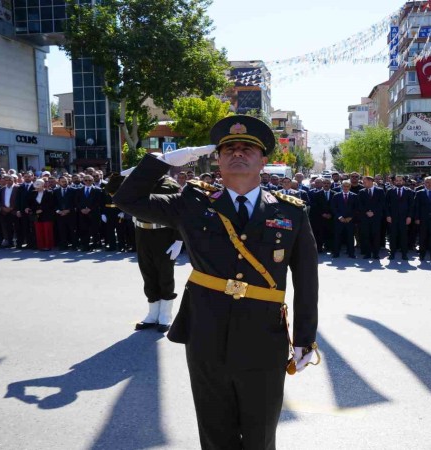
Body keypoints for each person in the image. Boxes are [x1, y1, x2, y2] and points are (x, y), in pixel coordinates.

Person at [112, 115, 319, 450]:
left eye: (247, 149)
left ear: (264, 160)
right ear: (217, 159)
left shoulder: (291, 211)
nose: (238, 153)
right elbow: (127, 199)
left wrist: (305, 339)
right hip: (205, 332)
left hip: (263, 337)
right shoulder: (191, 203)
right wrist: (163, 162)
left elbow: (307, 280)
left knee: (260, 431)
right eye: (229, 149)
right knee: (214, 430)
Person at [105, 172, 184, 332]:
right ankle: (152, 314)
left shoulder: (169, 185)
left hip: (164, 234)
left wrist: (178, 240)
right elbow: (110, 190)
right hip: (142, 233)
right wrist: (126, 173)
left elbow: (179, 213)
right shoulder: (137, 181)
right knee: (147, 273)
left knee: (164, 274)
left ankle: (165, 316)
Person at [385, 175, 414, 260]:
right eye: (397, 180)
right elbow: (386, 205)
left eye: (400, 180)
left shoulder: (409, 191)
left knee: (404, 236)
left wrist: (409, 216)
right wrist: (388, 215)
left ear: (403, 181)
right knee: (392, 236)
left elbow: (411, 205)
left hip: (404, 218)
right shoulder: (390, 191)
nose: (398, 182)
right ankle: (392, 253)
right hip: (392, 218)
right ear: (394, 182)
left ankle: (404, 253)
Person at [357, 175, 385, 259]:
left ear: (370, 181)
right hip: (365, 217)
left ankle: (376, 254)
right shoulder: (361, 192)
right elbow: (360, 204)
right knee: (366, 235)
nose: (363, 183)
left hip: (376, 217)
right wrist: (366, 212)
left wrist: (374, 212)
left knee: (376, 235)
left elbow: (382, 203)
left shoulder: (380, 191)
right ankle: (367, 253)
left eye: (364, 182)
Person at [330, 179, 358, 258]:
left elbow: (356, 208)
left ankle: (351, 253)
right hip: (339, 220)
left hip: (350, 221)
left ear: (350, 187)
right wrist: (339, 217)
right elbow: (333, 208)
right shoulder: (336, 196)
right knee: (337, 237)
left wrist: (350, 217)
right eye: (344, 186)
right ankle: (336, 253)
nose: (346, 188)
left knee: (350, 237)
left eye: (347, 186)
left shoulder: (354, 196)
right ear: (341, 186)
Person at [28, 179, 56, 251]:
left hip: (47, 214)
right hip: (37, 215)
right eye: (36, 186)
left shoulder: (49, 192)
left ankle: (48, 245)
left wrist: (42, 209)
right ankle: (40, 245)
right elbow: (31, 204)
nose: (37, 188)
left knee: (47, 231)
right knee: (38, 230)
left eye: (39, 186)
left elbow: (51, 204)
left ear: (43, 185)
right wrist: (35, 210)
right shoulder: (33, 193)